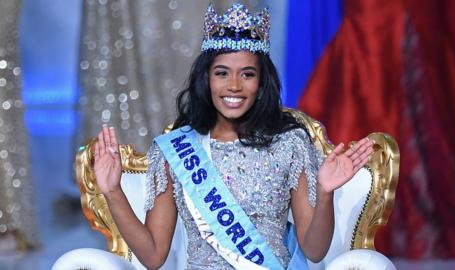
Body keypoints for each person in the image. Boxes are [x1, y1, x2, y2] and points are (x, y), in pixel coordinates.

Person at [93, 3, 374, 270]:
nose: (234, 86)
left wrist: (324, 193)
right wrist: (113, 192)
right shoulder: (175, 150)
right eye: (222, 73)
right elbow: (153, 255)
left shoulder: (290, 144)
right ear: (207, 79)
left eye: (248, 74)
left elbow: (314, 250)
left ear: (261, 82)